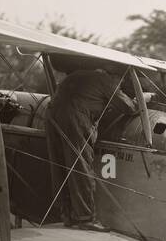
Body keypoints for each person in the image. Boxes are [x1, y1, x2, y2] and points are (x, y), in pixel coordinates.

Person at [46, 68, 136, 231]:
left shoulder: (77, 75)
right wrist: (140, 100)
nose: (120, 85)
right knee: (81, 167)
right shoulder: (105, 80)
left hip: (52, 114)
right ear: (115, 75)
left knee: (59, 166)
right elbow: (128, 107)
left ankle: (68, 215)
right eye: (121, 82)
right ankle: (86, 218)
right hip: (74, 118)